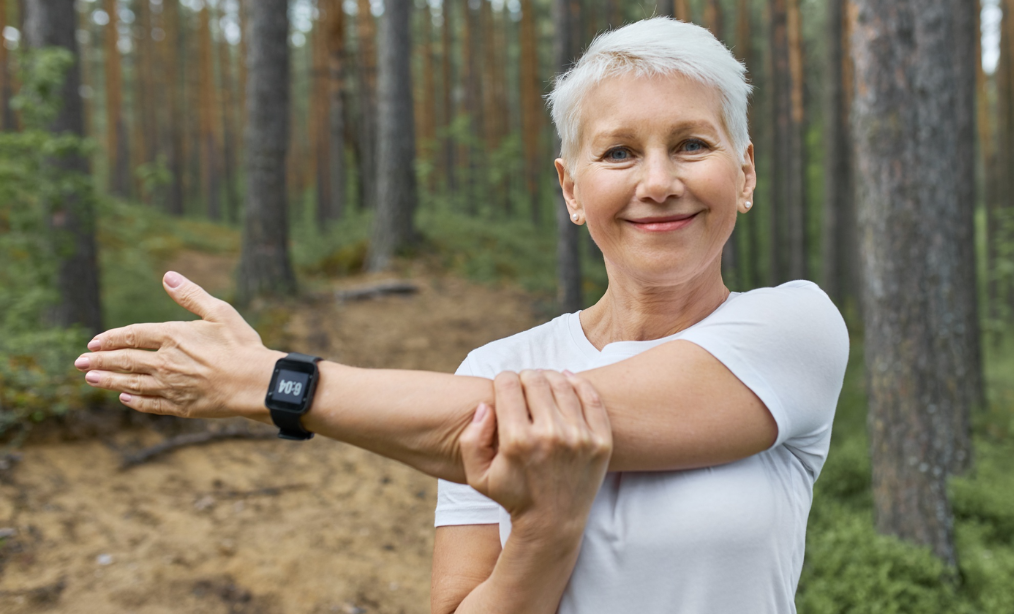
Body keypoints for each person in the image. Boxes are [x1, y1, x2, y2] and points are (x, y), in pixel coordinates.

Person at [75, 17, 848, 614]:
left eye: (690, 145)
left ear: (742, 173)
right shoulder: (494, 367)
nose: (657, 182)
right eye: (617, 154)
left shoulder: (795, 329)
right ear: (572, 190)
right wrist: (546, 530)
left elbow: (499, 424)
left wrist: (275, 383)